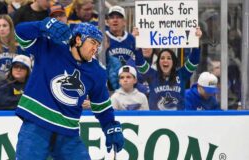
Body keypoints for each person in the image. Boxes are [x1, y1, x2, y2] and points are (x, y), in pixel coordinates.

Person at [15, 18, 124, 159]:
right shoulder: (50, 47)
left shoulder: (97, 72)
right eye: (92, 42)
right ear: (78, 40)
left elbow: (102, 107)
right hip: (36, 126)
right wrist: (43, 25)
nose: (95, 49)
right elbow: (20, 32)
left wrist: (110, 126)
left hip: (67, 134)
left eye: (97, 45)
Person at [135, 28, 202, 110]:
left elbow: (194, 61)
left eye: (169, 58)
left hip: (178, 120)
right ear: (158, 62)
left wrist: (197, 41)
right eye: (162, 58)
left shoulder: (182, 74)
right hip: (156, 120)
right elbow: (140, 63)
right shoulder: (152, 75)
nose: (165, 60)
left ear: (173, 62)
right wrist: (137, 42)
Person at [105, 6, 139, 91]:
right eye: (112, 17)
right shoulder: (103, 37)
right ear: (108, 21)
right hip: (108, 85)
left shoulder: (132, 38)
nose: (115, 20)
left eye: (119, 17)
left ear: (125, 22)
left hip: (129, 85)